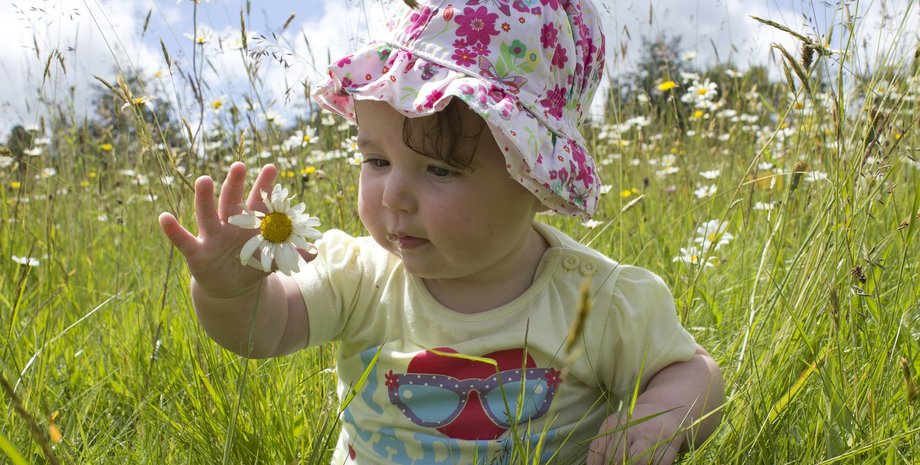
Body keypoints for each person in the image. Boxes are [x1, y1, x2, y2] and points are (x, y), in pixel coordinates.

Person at [158, 0, 724, 463]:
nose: (392, 196)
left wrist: (661, 423)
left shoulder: (595, 299)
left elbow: (692, 372)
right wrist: (230, 292)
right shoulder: (359, 278)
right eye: (376, 161)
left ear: (535, 180)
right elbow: (265, 332)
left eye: (441, 169)